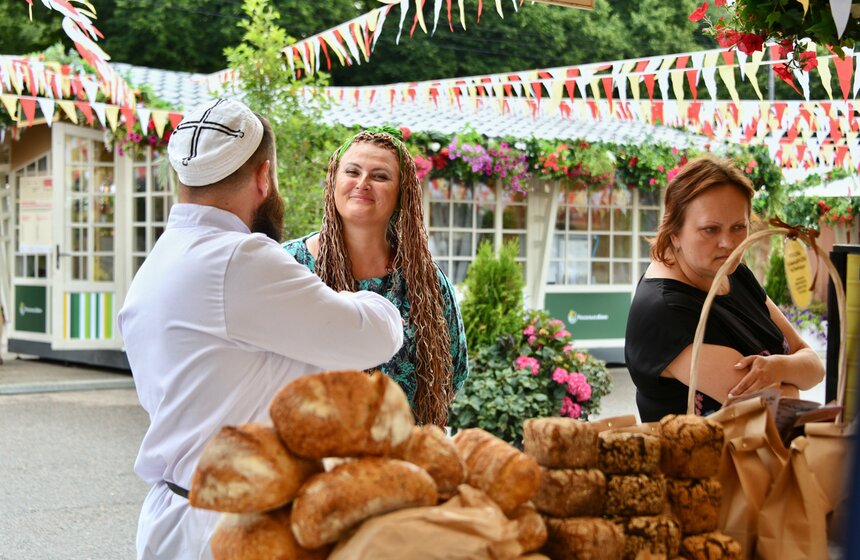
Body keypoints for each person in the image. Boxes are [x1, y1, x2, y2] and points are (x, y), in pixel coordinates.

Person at [117, 99, 403, 560]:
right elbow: (373, 336)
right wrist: (356, 298)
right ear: (263, 177)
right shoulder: (238, 259)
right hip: (229, 528)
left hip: (173, 517)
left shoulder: (163, 259)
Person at [283, 126, 469, 427]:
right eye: (352, 172)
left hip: (401, 460)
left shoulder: (428, 282)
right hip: (310, 459)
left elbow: (452, 374)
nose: (363, 183)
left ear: (401, 193)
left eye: (380, 176)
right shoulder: (287, 265)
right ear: (333, 182)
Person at [625, 154, 824, 422]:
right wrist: (790, 373)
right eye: (710, 230)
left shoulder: (733, 273)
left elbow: (814, 366)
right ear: (674, 233)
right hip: (698, 462)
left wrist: (777, 368)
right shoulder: (665, 311)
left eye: (739, 227)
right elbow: (779, 408)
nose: (728, 243)